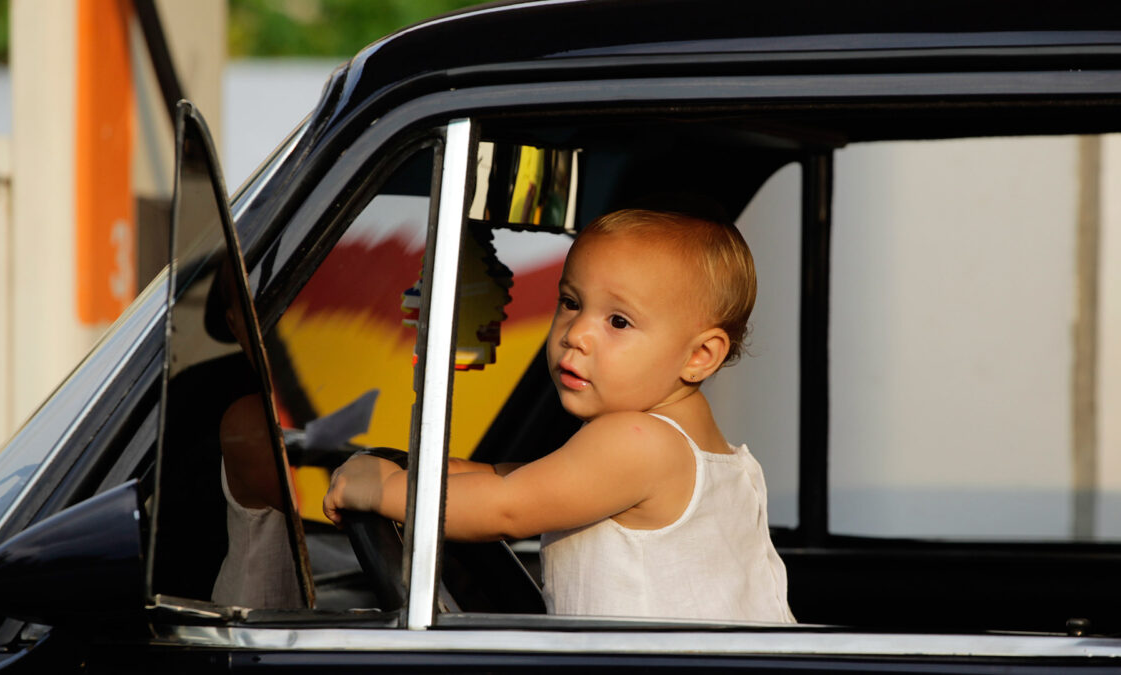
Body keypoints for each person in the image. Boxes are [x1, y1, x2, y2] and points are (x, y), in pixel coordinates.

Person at [324, 208, 794, 623]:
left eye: (618, 322)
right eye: (571, 303)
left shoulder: (636, 440)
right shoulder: (693, 450)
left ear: (700, 356)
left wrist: (383, 491)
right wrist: (443, 471)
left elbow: (508, 506)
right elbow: (521, 479)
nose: (576, 335)